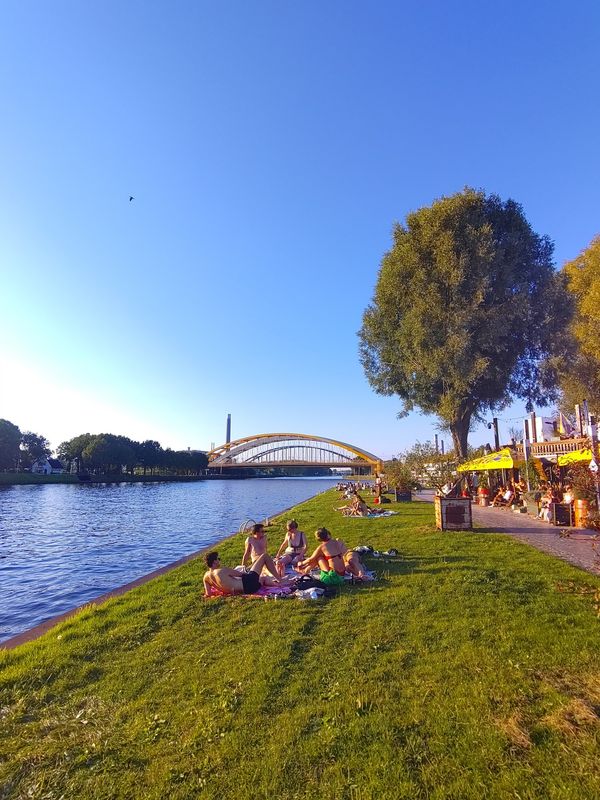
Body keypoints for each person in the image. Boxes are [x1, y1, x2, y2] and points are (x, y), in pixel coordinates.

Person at [297, 527, 367, 582]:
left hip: (333, 576)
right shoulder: (337, 541)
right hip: (342, 572)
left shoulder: (322, 547)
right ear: (328, 534)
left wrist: (302, 562)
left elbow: (311, 559)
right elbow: (344, 551)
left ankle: (305, 570)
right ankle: (305, 569)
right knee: (324, 557)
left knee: (319, 558)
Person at [203, 551, 284, 596]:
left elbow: (208, 594)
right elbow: (241, 574)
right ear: (214, 561)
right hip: (249, 584)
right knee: (264, 556)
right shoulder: (222, 570)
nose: (219, 561)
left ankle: (277, 583)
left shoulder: (205, 577)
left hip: (246, 590)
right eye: (218, 559)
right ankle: (280, 580)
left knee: (262, 579)